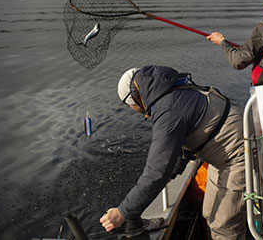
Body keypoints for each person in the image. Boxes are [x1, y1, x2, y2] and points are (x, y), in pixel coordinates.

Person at [100, 65, 246, 240]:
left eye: (130, 105)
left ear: (135, 99)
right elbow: (183, 147)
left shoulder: (167, 111)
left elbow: (156, 171)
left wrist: (122, 212)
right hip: (225, 155)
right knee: (210, 212)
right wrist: (173, 171)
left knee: (223, 224)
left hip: (238, 156)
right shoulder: (174, 91)